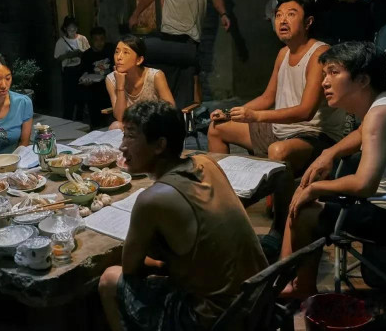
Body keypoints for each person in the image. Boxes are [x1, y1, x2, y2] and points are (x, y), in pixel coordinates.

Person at [98, 101, 267, 331]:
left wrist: (156, 261)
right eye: (124, 136)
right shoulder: (205, 162)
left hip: (216, 318)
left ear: (160, 145)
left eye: (131, 137)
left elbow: (130, 269)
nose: (122, 146)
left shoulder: (151, 199)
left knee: (109, 279)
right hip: (256, 297)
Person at [207, 0, 346, 252]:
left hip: (315, 135)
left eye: (291, 14)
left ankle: (280, 227)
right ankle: (227, 211)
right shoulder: (283, 54)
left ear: (308, 22)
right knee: (217, 128)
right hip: (281, 129)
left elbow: (306, 112)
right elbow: (267, 97)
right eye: (278, 15)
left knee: (278, 151)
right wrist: (230, 113)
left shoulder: (319, 53)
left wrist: (257, 117)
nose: (282, 20)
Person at [281, 41, 386, 299]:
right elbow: (362, 133)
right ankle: (286, 278)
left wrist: (315, 188)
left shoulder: (379, 116)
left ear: (362, 80)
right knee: (308, 187)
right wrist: (329, 153)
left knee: (304, 209)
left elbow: (364, 184)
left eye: (334, 73)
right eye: (324, 74)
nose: (324, 82)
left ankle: (299, 287)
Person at [105, 35, 175, 129]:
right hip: (131, 125)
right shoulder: (111, 79)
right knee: (116, 126)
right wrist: (120, 87)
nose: (119, 57)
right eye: (117, 52)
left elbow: (170, 110)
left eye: (126, 52)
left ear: (139, 60)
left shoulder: (155, 76)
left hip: (154, 123)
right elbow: (120, 118)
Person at [54, 16, 90, 121]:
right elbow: (56, 59)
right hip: (68, 72)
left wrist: (81, 54)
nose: (72, 31)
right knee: (69, 100)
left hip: (81, 70)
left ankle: (80, 122)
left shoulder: (82, 39)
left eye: (74, 28)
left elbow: (89, 54)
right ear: (65, 28)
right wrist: (67, 55)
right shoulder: (61, 42)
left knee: (81, 100)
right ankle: (68, 122)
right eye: (70, 29)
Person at [79, 26, 116, 128]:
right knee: (96, 125)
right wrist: (85, 81)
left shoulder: (111, 49)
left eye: (102, 39)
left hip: (110, 92)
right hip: (94, 95)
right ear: (91, 40)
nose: (99, 43)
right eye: (96, 40)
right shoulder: (87, 55)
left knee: (112, 123)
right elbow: (84, 73)